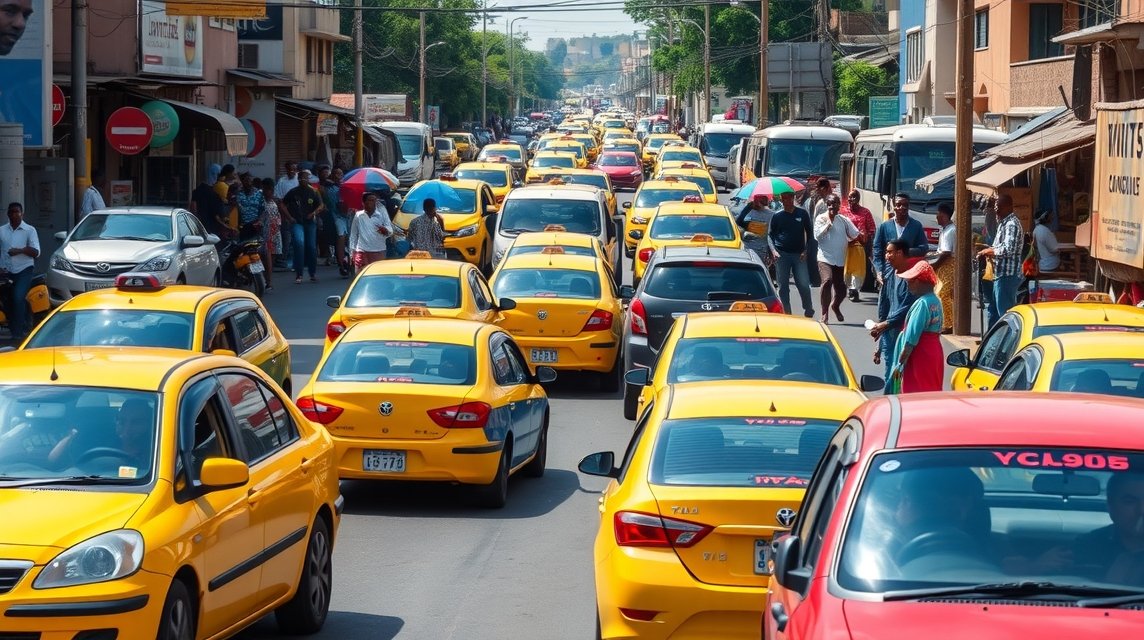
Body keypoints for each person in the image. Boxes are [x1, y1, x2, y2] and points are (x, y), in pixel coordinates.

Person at [47, 398, 155, 473]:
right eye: (121, 422)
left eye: (136, 423)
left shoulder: (157, 450)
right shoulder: (99, 441)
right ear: (116, 421)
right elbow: (53, 461)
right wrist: (70, 436)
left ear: (150, 423)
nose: (127, 429)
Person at [1074, 473, 1144, 584]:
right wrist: (1039, 566)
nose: (1141, 510)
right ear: (1110, 506)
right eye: (1130, 502)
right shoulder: (1088, 545)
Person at [888, 260, 944, 393]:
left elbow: (911, 337)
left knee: (915, 391)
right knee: (931, 389)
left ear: (918, 281)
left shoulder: (922, 303)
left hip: (920, 354)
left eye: (909, 282)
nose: (908, 285)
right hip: (933, 352)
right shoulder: (935, 300)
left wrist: (901, 361)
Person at [873, 193, 929, 323]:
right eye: (899, 205)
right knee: (886, 301)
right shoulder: (884, 226)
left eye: (905, 205)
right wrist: (879, 270)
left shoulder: (916, 226)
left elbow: (924, 247)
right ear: (894, 206)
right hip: (889, 271)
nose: (902, 208)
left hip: (908, 271)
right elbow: (877, 249)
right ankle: (884, 328)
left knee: (905, 301)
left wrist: (907, 252)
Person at [869, 239, 917, 382]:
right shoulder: (890, 275)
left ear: (900, 253)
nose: (886, 256)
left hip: (905, 335)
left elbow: (906, 307)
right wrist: (879, 344)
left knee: (900, 374)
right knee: (890, 373)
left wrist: (886, 324)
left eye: (889, 252)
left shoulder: (910, 278)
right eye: (886, 252)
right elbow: (884, 308)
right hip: (889, 335)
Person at [977, 194, 1024, 330]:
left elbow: (1008, 249)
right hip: (998, 274)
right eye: (996, 206)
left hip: (1007, 276)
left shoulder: (1012, 224)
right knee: (994, 310)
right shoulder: (1003, 223)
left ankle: (1008, 346)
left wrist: (988, 252)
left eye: (999, 207)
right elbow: (998, 246)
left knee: (1005, 314)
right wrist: (986, 250)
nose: (996, 210)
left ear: (1009, 207)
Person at [768, 191, 815, 318]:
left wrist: (806, 251)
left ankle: (808, 307)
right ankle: (787, 312)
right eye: (783, 199)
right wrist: (773, 251)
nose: (786, 201)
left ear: (793, 198)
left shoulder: (802, 213)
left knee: (804, 284)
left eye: (788, 198)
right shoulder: (777, 215)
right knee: (783, 286)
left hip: (799, 254)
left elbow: (810, 234)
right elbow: (770, 235)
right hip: (782, 254)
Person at [814, 194, 859, 323]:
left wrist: (858, 236)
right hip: (825, 258)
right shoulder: (821, 219)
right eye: (830, 204)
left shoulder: (844, 220)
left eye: (835, 203)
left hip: (840, 259)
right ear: (827, 205)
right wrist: (829, 223)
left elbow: (855, 234)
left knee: (841, 290)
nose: (832, 206)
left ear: (839, 205)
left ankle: (835, 306)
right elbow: (817, 236)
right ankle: (824, 313)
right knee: (827, 281)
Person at [0, 202, 39, 341]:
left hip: (24, 270)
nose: (14, 214)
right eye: (11, 212)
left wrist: (20, 250)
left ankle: (18, 333)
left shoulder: (30, 230)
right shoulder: (2, 231)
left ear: (22, 214)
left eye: (17, 212)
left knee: (17, 297)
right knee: (6, 300)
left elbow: (36, 252)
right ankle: (14, 326)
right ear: (8, 214)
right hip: (6, 271)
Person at [284, 169, 325, 283]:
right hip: (297, 222)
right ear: (298, 179)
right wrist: (289, 217)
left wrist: (313, 213)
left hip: (310, 223)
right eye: (301, 178)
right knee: (299, 244)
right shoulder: (293, 192)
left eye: (305, 178)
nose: (303, 180)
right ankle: (299, 274)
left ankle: (312, 273)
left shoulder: (314, 191)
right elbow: (282, 204)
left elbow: (321, 205)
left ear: (308, 180)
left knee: (311, 247)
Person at [842, 189, 876, 302]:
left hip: (860, 246)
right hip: (845, 246)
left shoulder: (865, 212)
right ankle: (847, 288)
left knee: (857, 270)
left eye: (854, 197)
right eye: (850, 197)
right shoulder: (843, 212)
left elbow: (872, 229)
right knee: (847, 269)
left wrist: (866, 238)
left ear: (859, 199)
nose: (852, 199)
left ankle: (854, 290)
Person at [348, 192, 392, 273]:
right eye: (371, 200)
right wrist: (352, 253)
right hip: (361, 251)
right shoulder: (358, 216)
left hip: (378, 250)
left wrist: (385, 230)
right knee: (360, 276)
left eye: (375, 200)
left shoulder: (382, 213)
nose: (374, 203)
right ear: (364, 203)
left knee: (378, 277)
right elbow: (353, 235)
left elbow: (390, 230)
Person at [931, 202, 956, 334]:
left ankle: (949, 324)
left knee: (944, 294)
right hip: (943, 264)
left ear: (945, 215)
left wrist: (935, 265)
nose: (937, 217)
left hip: (948, 265)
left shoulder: (951, 230)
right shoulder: (945, 230)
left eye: (939, 214)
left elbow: (946, 253)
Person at [736, 194, 775, 268]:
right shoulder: (748, 210)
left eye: (759, 200)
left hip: (762, 250)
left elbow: (772, 234)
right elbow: (738, 223)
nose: (756, 203)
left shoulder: (771, 215)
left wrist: (771, 252)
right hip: (747, 248)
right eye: (755, 200)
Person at [274, 163, 300, 271]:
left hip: (298, 213)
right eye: (290, 169)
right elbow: (279, 201)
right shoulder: (282, 181)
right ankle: (284, 260)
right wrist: (287, 216)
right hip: (286, 213)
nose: (292, 171)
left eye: (294, 169)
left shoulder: (299, 179)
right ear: (287, 170)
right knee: (287, 238)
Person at [258, 178, 279, 292]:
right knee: (265, 257)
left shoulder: (273, 202)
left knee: (270, 257)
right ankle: (266, 281)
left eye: (268, 189)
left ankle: (268, 281)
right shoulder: (261, 201)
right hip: (263, 232)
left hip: (272, 232)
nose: (265, 191)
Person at [190, 164, 222, 230]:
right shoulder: (214, 193)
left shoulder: (197, 190)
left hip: (199, 225)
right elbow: (216, 215)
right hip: (211, 226)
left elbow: (193, 208)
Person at [1032, 209, 1061, 274]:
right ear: (1045, 218)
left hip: (1043, 264)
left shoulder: (1036, 230)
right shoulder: (1045, 231)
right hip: (1050, 264)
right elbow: (1054, 249)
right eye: (1050, 216)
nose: (1052, 217)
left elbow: (1035, 245)